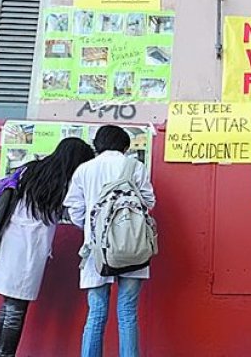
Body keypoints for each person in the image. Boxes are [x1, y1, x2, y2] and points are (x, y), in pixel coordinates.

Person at [0, 137, 95, 357]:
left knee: (8, 304)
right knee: (16, 307)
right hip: (30, 249)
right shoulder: (62, 183)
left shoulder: (31, 169)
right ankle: (5, 355)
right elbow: (71, 214)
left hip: (8, 242)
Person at [64, 125, 156, 357]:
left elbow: (75, 209)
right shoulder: (136, 166)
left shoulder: (85, 169)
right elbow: (149, 202)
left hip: (95, 250)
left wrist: (91, 229)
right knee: (127, 312)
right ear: (125, 146)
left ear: (98, 145)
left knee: (96, 312)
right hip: (132, 246)